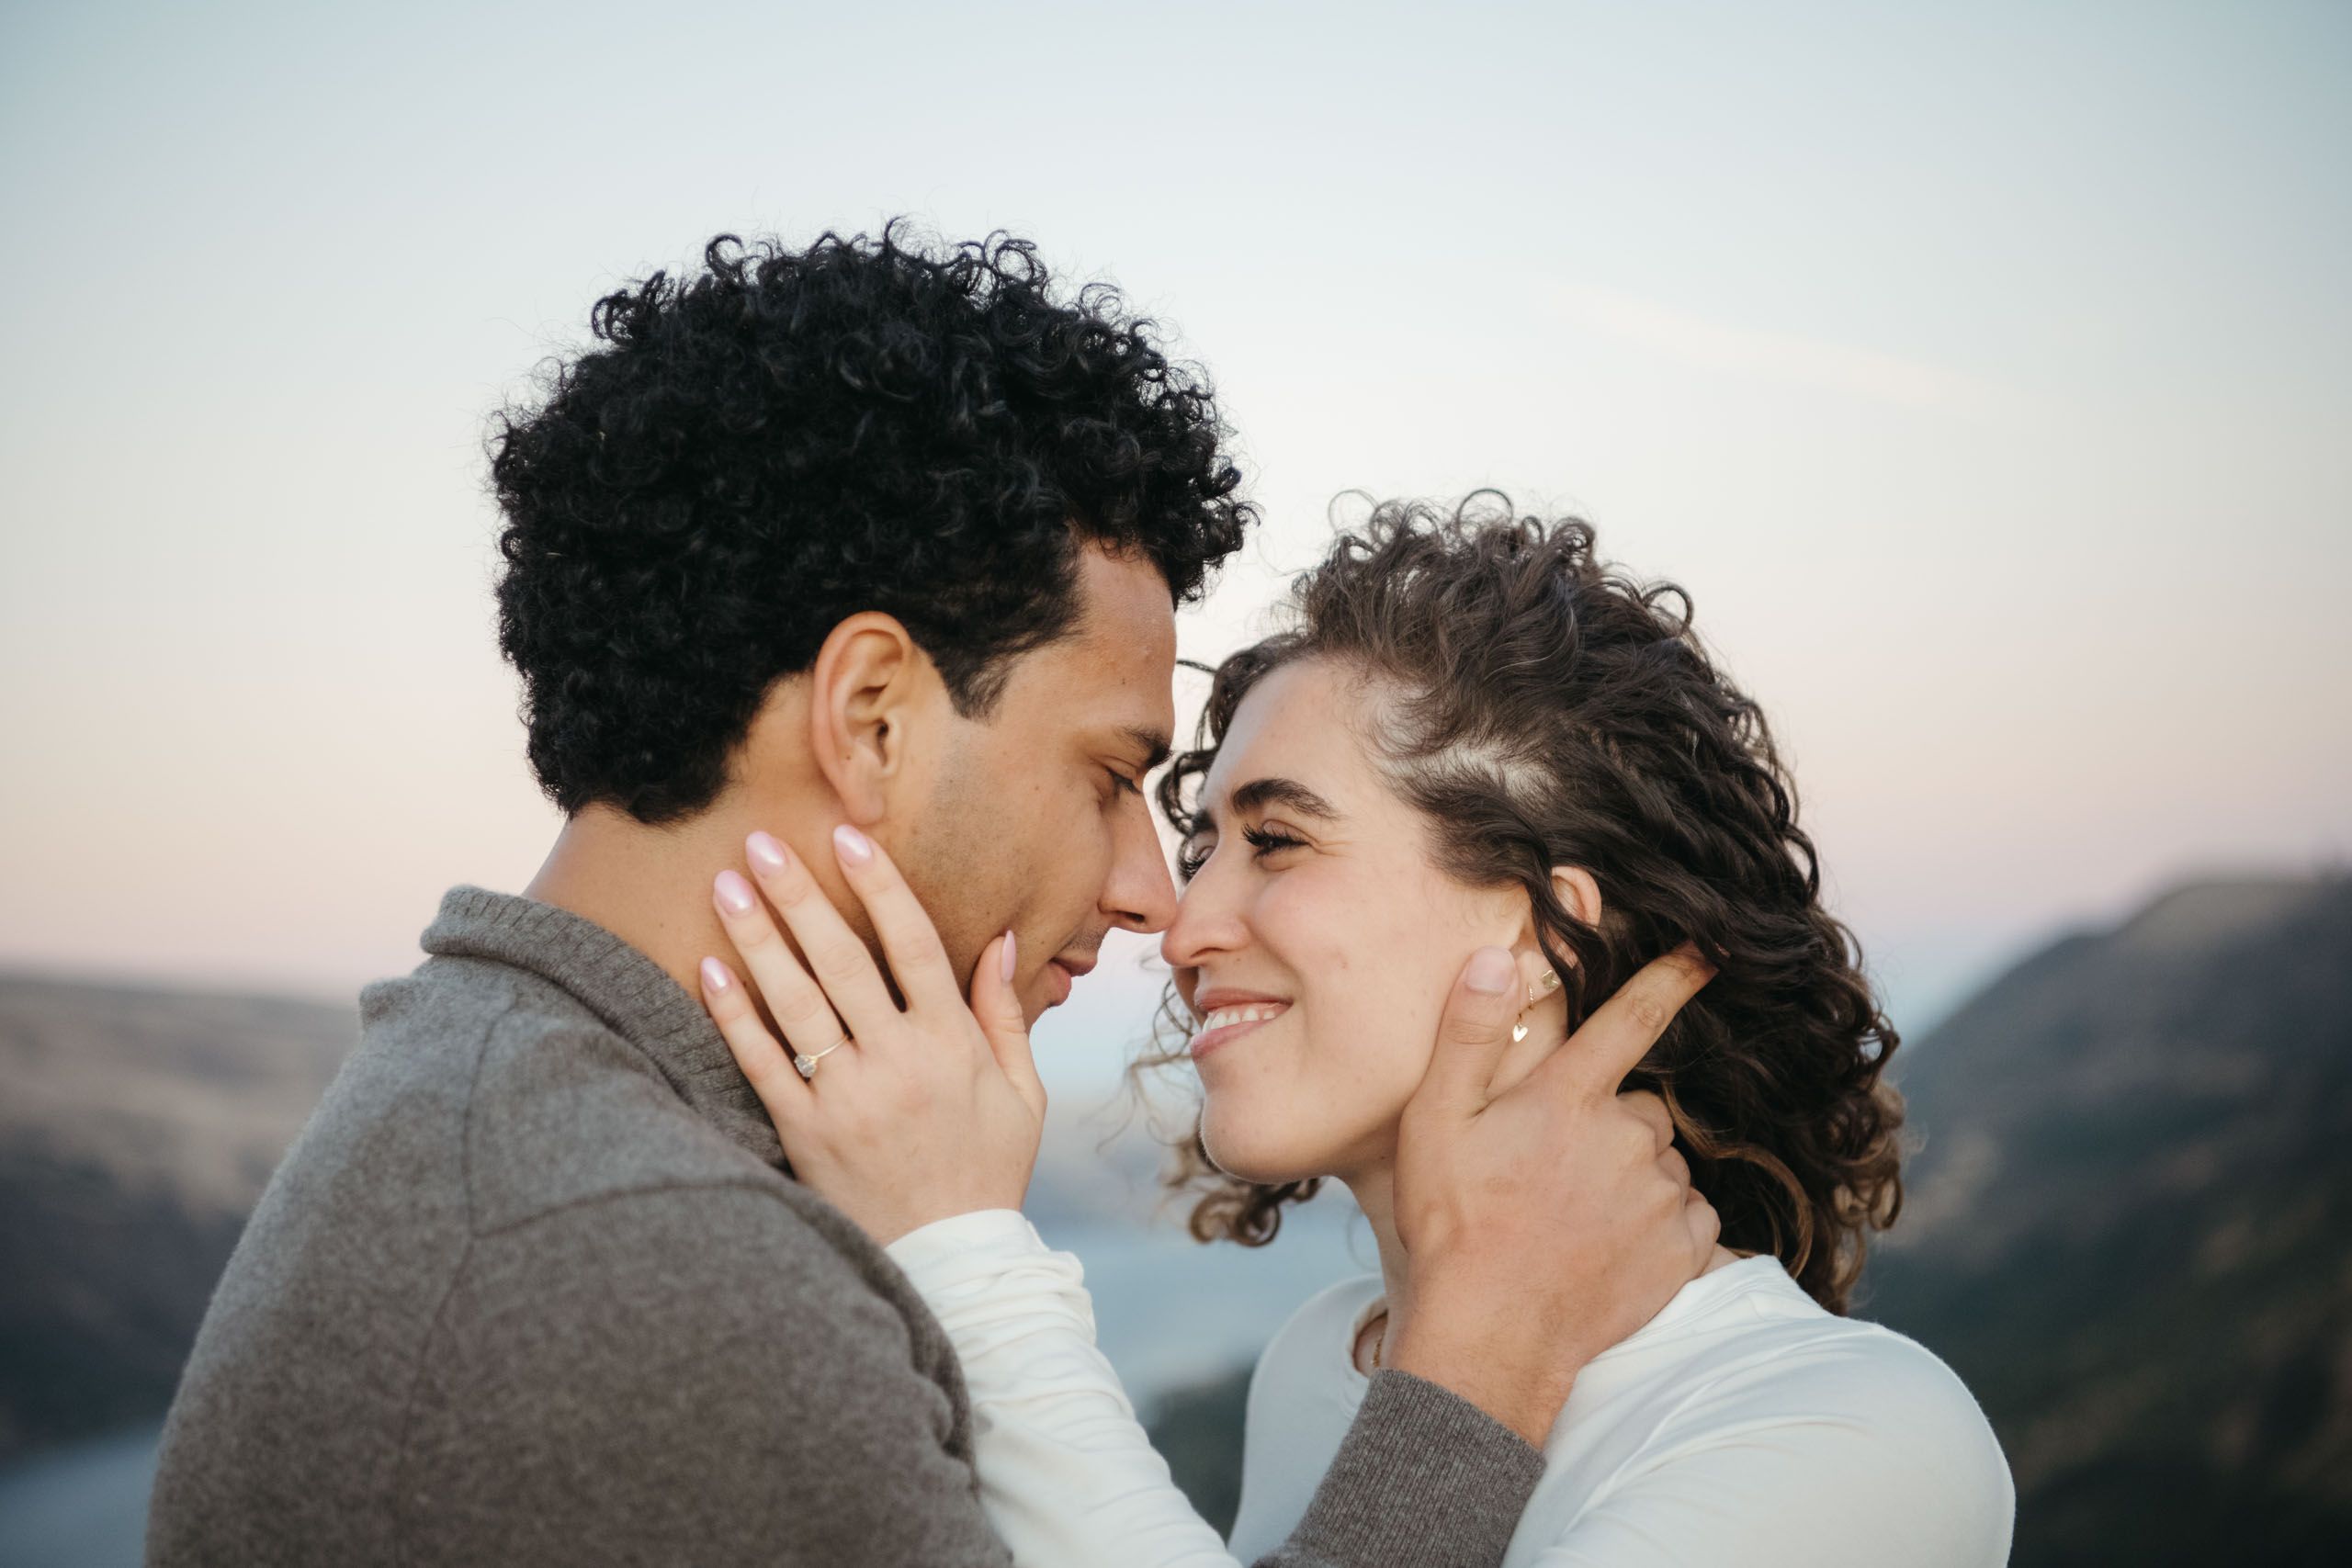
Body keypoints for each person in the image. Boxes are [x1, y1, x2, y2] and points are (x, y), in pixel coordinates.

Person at [146, 232, 1714, 1567]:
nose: (1149, 896)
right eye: (1112, 777)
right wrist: (1477, 1376)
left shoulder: (499, 1086)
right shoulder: (673, 1275)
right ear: (873, 717)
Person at [701, 500, 2018, 1566]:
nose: (1182, 922)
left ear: (1544, 938)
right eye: (1202, 843)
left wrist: (966, 1255)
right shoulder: (1323, 1368)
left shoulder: (1849, 1438)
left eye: (1276, 841)